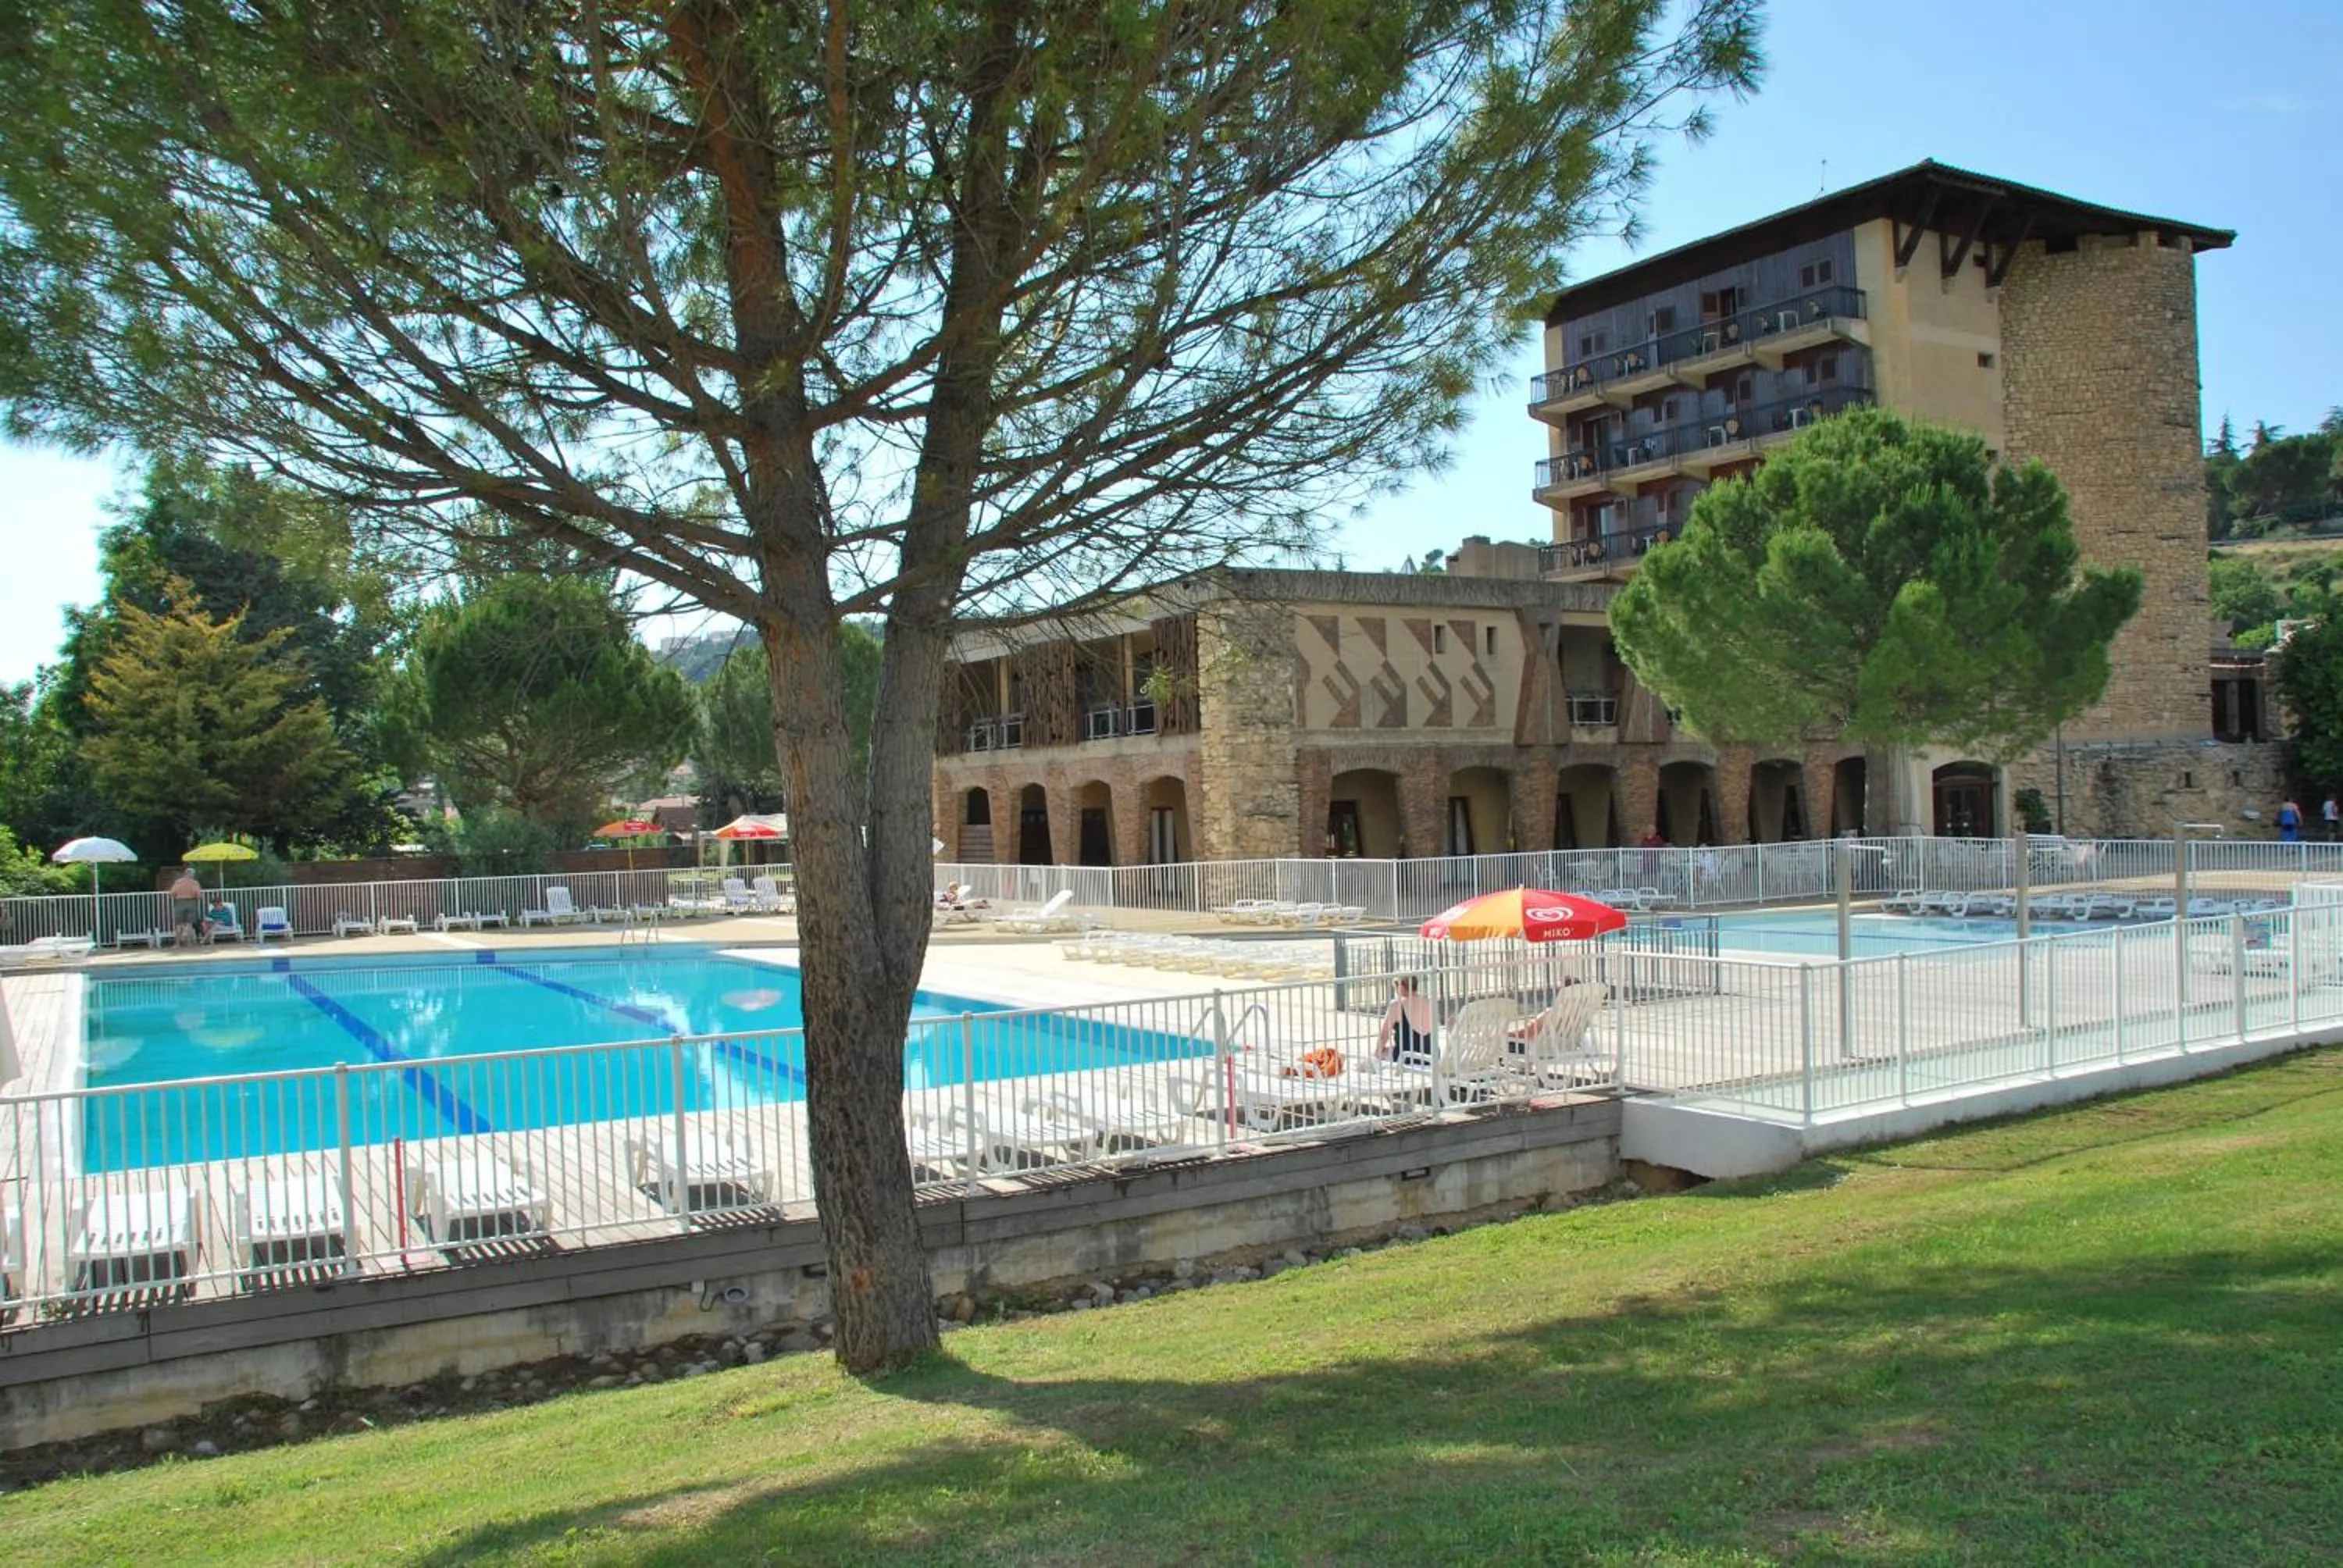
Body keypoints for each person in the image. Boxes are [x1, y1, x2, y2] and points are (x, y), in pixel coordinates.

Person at [1376, 975, 1435, 1064]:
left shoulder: (1397, 1005)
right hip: (1430, 1055)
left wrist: (1375, 1056)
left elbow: (1384, 1035)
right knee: (1390, 1049)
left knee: (1380, 1054)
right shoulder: (1428, 1002)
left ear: (1401, 987)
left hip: (1406, 1058)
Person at [168, 868, 204, 946]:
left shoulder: (178, 882)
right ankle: (189, 943)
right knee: (189, 924)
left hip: (180, 903)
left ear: (185, 874)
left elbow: (172, 893)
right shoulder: (195, 883)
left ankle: (177, 944)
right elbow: (198, 895)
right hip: (191, 902)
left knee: (179, 924)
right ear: (192, 874)